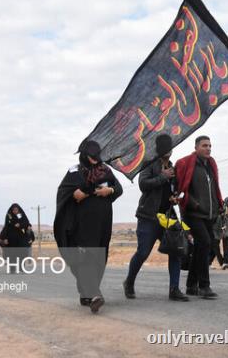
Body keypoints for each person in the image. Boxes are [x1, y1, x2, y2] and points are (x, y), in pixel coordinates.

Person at [54, 140, 123, 313]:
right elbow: (65, 192)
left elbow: (119, 188)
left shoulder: (106, 170)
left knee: (100, 257)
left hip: (104, 222)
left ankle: (86, 292)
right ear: (84, 155)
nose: (94, 160)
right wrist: (77, 194)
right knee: (87, 256)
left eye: (96, 157)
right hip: (82, 224)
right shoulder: (74, 172)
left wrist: (110, 191)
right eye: (91, 157)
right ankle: (94, 294)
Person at [123, 134, 189, 302]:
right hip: (149, 216)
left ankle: (174, 289)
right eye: (165, 147)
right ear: (159, 149)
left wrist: (174, 196)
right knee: (143, 252)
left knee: (175, 251)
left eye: (170, 147)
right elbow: (143, 185)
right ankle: (129, 282)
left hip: (167, 217)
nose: (168, 150)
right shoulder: (149, 164)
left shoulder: (172, 167)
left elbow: (171, 188)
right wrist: (163, 176)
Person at [175, 135, 222, 299]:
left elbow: (215, 188)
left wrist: (218, 206)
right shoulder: (186, 163)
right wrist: (193, 204)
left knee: (201, 248)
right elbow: (179, 189)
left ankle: (190, 285)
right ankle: (204, 286)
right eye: (204, 145)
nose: (208, 148)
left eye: (210, 146)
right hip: (193, 213)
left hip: (209, 214)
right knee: (205, 243)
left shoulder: (211, 165)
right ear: (196, 147)